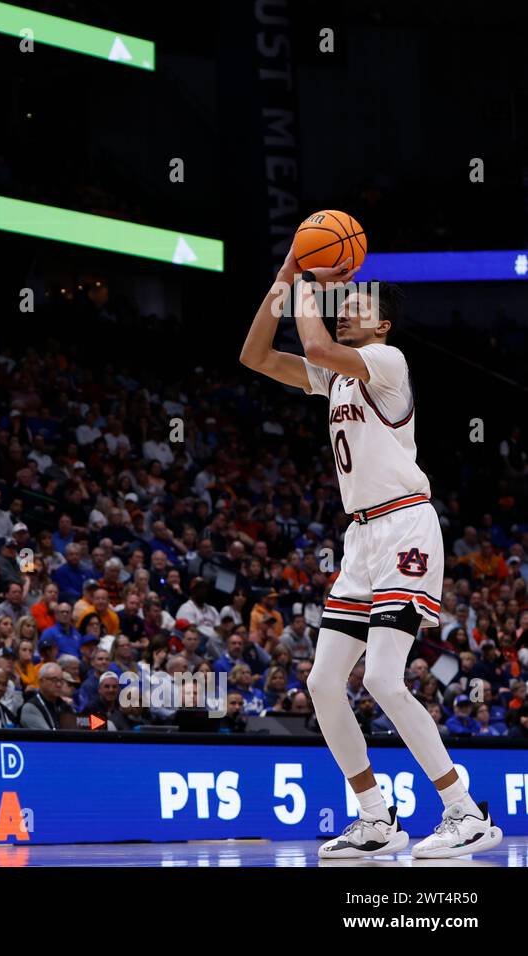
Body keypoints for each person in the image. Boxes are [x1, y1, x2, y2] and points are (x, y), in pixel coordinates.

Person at [241, 243, 501, 859]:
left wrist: (304, 280)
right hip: (359, 538)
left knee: (383, 677)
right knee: (325, 680)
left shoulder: (385, 358)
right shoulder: (335, 374)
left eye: (353, 304)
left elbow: (316, 346)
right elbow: (253, 356)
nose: (343, 311)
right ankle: (375, 818)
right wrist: (281, 280)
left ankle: (464, 812)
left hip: (405, 527)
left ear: (381, 322)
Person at [20, 662, 74, 730]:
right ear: (41, 681)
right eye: (54, 680)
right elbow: (47, 738)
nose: (59, 684)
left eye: (61, 680)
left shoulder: (64, 706)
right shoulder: (30, 708)